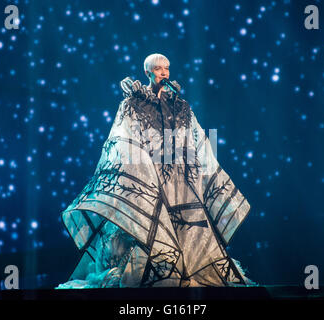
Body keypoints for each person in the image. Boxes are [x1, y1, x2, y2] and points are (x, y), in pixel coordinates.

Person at [57, 53, 254, 288]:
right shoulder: (133, 103)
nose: (164, 72)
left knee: (186, 226)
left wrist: (194, 167)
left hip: (177, 179)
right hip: (149, 175)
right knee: (150, 227)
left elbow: (195, 138)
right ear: (148, 72)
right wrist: (142, 169)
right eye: (159, 68)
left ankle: (182, 269)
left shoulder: (180, 106)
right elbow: (125, 138)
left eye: (167, 68)